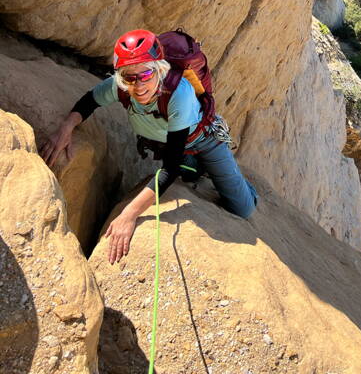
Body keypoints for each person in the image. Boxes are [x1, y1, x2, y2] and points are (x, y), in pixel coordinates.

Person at [41, 29, 257, 264]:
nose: (138, 85)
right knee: (187, 172)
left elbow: (169, 169)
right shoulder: (121, 86)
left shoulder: (179, 94)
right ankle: (197, 167)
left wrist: (129, 214)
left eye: (146, 75)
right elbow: (89, 101)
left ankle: (236, 179)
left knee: (242, 208)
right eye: (129, 77)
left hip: (204, 140)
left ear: (159, 69)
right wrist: (66, 128)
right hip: (171, 145)